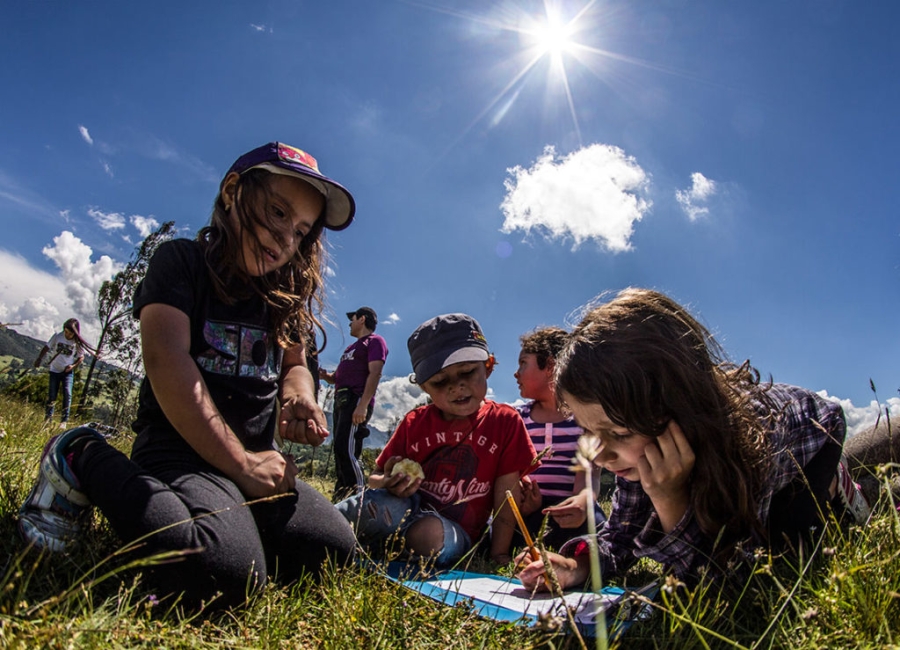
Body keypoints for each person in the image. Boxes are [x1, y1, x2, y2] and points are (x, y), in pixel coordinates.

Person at [18, 141, 358, 608]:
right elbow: (165, 360)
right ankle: (81, 454)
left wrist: (301, 397)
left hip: (258, 464)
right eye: (278, 213)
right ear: (232, 191)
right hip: (182, 452)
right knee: (222, 574)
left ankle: (236, 523)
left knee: (334, 555)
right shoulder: (181, 263)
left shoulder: (284, 298)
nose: (286, 240)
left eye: (301, 232)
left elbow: (295, 364)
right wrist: (239, 465)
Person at [516, 288, 871, 592]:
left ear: (678, 407)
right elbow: (618, 540)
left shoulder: (753, 443)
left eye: (618, 433)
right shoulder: (636, 449)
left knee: (785, 551)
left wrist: (669, 500)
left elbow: (726, 580)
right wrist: (574, 565)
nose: (602, 453)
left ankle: (841, 489)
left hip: (811, 441)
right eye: (589, 430)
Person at [336, 313, 538, 567]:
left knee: (431, 534)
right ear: (424, 387)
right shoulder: (414, 422)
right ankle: (322, 530)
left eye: (467, 372)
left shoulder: (504, 422)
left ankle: (371, 549)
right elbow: (374, 480)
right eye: (440, 382)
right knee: (370, 507)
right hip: (402, 508)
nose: (457, 387)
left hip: (454, 531)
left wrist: (499, 554)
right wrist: (388, 481)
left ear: (488, 367)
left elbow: (506, 496)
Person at [514, 326, 605, 550]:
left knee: (597, 528)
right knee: (508, 532)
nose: (516, 373)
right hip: (529, 509)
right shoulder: (517, 419)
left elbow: (588, 473)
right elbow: (511, 473)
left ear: (550, 366)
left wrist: (583, 501)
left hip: (571, 507)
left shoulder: (584, 419)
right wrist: (524, 500)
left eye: (523, 363)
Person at [318, 306, 388, 501]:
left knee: (346, 449)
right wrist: (326, 376)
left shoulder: (375, 341)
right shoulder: (350, 349)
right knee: (340, 447)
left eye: (353, 318)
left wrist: (363, 405)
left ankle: (358, 498)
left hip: (356, 399)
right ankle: (342, 496)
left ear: (362, 319)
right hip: (341, 400)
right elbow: (337, 377)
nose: (350, 323)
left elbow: (375, 373)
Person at [34, 318, 94, 425]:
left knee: (67, 393)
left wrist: (73, 366)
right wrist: (39, 358)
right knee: (52, 395)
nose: (67, 335)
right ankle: (48, 419)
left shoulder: (76, 342)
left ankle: (64, 421)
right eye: (66, 332)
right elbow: (47, 347)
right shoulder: (58, 336)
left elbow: (81, 357)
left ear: (75, 333)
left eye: (70, 333)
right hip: (54, 370)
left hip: (67, 372)